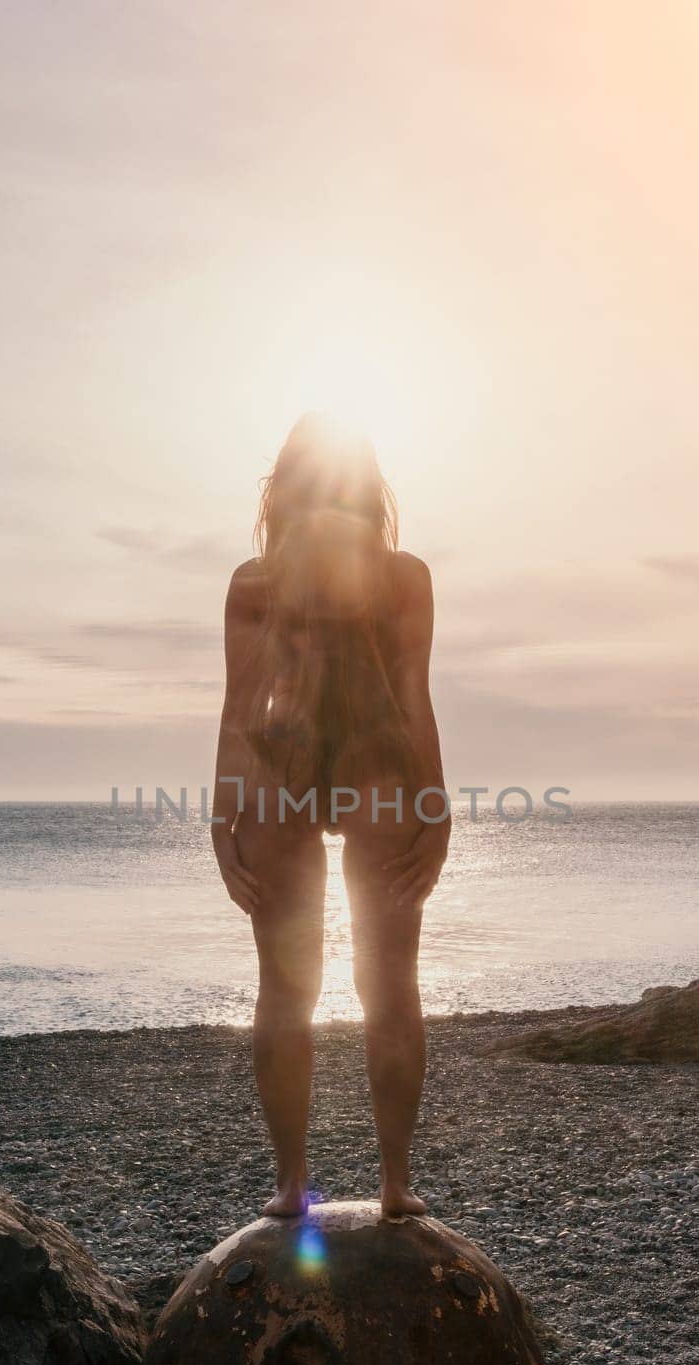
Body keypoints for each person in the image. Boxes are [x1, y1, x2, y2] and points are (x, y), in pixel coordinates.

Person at [210, 412, 449, 1218]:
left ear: (284, 483)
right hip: (379, 766)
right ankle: (393, 1186)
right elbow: (413, 695)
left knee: (286, 991)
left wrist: (222, 817)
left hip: (282, 767)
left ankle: (292, 1187)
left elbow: (240, 710)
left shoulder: (258, 580)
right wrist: (434, 807)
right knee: (388, 988)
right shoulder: (400, 574)